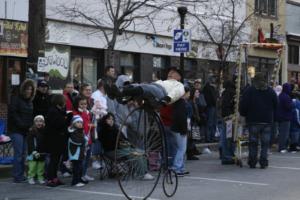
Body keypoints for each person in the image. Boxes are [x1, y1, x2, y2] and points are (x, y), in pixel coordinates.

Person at [98, 113, 154, 180]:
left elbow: (123, 138)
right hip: (111, 151)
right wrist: (120, 142)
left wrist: (129, 144)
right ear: (105, 120)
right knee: (134, 154)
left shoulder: (115, 128)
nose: (111, 121)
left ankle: (143, 171)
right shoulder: (103, 130)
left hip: (120, 149)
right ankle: (142, 174)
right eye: (109, 119)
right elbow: (109, 143)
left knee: (141, 152)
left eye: (112, 119)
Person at [239, 73, 278, 169]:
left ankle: (252, 161)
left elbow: (244, 104)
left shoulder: (250, 90)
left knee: (253, 142)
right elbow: (276, 104)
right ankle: (263, 162)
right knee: (265, 143)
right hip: (267, 120)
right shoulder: (270, 91)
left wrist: (243, 114)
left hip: (253, 120)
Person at [8, 79, 36, 183]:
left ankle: (21, 174)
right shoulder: (16, 99)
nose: (29, 91)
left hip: (26, 130)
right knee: (18, 154)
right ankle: (17, 175)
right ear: (23, 89)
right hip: (16, 130)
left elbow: (30, 116)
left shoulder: (30, 102)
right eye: (27, 89)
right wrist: (23, 125)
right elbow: (13, 115)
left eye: (31, 89)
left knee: (24, 154)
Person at [45, 94, 72, 187]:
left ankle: (55, 178)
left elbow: (64, 124)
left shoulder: (59, 110)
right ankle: (50, 179)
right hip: (54, 139)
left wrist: (67, 117)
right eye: (64, 101)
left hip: (59, 139)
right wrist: (67, 118)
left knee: (56, 160)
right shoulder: (53, 111)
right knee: (53, 160)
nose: (65, 103)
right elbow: (59, 124)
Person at [73, 96, 94, 181]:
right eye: (81, 104)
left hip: (88, 138)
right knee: (82, 159)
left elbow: (89, 124)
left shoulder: (88, 113)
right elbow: (81, 125)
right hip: (81, 138)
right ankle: (80, 175)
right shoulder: (76, 113)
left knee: (87, 158)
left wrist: (92, 126)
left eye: (85, 104)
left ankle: (84, 173)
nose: (83, 106)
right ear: (77, 104)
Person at [171, 87, 190, 176]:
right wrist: (184, 130)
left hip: (176, 128)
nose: (189, 95)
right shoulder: (181, 103)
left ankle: (180, 167)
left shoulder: (177, 103)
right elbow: (181, 118)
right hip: (180, 129)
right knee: (181, 149)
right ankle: (177, 168)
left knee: (179, 148)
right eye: (188, 93)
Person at [68, 115, 88, 187]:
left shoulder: (80, 131)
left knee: (80, 167)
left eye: (81, 122)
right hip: (75, 153)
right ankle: (75, 181)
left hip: (80, 153)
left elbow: (83, 140)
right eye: (77, 122)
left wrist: (85, 139)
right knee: (76, 168)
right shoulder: (73, 132)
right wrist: (84, 140)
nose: (80, 124)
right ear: (73, 123)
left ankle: (79, 179)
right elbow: (76, 141)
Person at [219, 80, 236, 164]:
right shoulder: (231, 93)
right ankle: (227, 156)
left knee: (225, 137)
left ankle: (225, 154)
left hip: (225, 116)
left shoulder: (225, 92)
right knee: (228, 138)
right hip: (229, 117)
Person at [27, 115, 46, 185]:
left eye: (41, 121)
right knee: (32, 166)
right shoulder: (32, 131)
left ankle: (40, 177)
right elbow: (30, 142)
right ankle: (30, 177)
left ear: (43, 122)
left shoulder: (44, 131)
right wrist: (33, 151)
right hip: (33, 152)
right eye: (37, 121)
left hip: (41, 152)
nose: (39, 123)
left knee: (41, 167)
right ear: (34, 122)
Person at [276, 83, 293, 153]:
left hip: (279, 116)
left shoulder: (280, 95)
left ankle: (283, 146)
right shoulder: (286, 97)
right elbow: (288, 107)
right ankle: (282, 147)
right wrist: (292, 104)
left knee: (281, 133)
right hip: (285, 117)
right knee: (284, 133)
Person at [202, 76, 218, 142]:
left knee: (213, 122)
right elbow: (210, 98)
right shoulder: (208, 88)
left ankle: (211, 137)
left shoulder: (211, 88)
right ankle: (209, 137)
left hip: (212, 106)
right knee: (210, 122)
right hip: (210, 106)